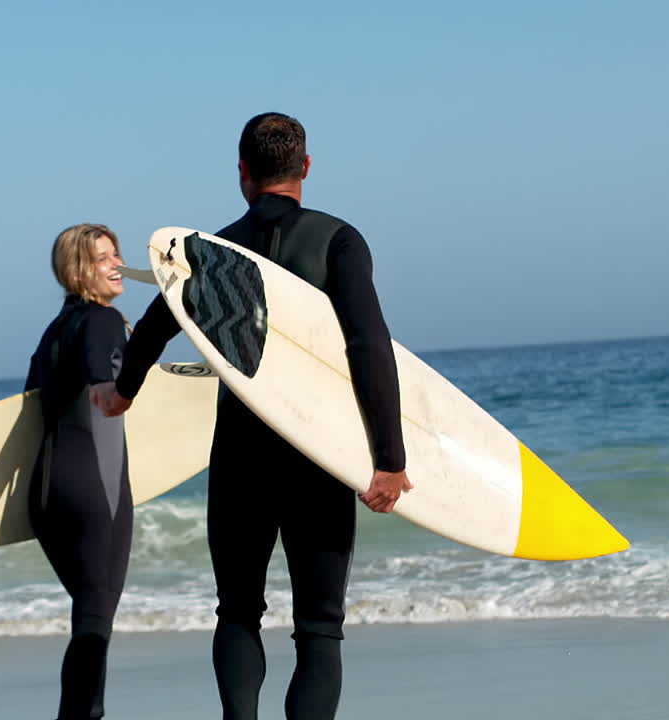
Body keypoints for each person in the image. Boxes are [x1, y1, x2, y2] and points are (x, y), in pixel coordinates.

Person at [93, 113, 412, 719]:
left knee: (238, 609)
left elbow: (158, 326)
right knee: (319, 625)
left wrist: (123, 392)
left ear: (242, 172)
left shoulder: (211, 253)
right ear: (306, 168)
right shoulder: (339, 240)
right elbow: (369, 346)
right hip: (316, 454)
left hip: (240, 453)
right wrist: (390, 460)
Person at [25, 223, 131, 720]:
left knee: (90, 616)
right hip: (93, 485)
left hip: (45, 492)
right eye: (102, 258)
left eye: (116, 254)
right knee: (94, 620)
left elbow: (26, 410)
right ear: (77, 271)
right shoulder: (102, 322)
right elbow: (103, 384)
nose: (116, 265)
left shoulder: (51, 333)